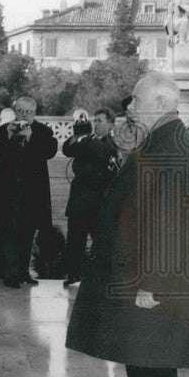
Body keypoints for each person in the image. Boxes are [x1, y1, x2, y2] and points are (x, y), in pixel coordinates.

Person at [66, 71, 189, 377]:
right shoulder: (161, 141)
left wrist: (151, 284)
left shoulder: (173, 148)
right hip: (144, 280)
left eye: (137, 101)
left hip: (156, 287)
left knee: (156, 374)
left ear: (161, 105)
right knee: (143, 368)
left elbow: (172, 225)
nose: (130, 108)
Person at [0, 96, 58, 288]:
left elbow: (50, 152)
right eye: (21, 111)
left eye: (29, 112)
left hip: (32, 194)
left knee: (28, 234)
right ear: (15, 111)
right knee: (10, 233)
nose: (24, 115)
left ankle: (23, 271)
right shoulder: (5, 130)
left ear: (34, 113)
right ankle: (11, 273)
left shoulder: (43, 131)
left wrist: (31, 138)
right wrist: (9, 136)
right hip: (9, 193)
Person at [60, 109, 120, 287]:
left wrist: (87, 139)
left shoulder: (111, 145)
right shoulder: (87, 139)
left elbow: (103, 156)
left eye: (100, 121)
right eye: (96, 121)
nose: (96, 124)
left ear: (111, 125)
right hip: (79, 200)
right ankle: (73, 274)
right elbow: (68, 150)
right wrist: (76, 135)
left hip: (97, 202)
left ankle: (104, 277)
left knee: (101, 242)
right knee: (74, 240)